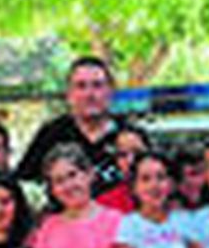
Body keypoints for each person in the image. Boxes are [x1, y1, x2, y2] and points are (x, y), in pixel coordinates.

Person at [16, 56, 137, 197]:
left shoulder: (131, 136)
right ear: (69, 94)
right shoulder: (51, 135)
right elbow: (25, 183)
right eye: (81, 86)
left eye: (97, 85)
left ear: (110, 91)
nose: (89, 94)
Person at [94, 124, 151, 212]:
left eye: (138, 152)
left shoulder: (168, 196)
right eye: (122, 155)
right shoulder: (105, 204)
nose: (131, 160)